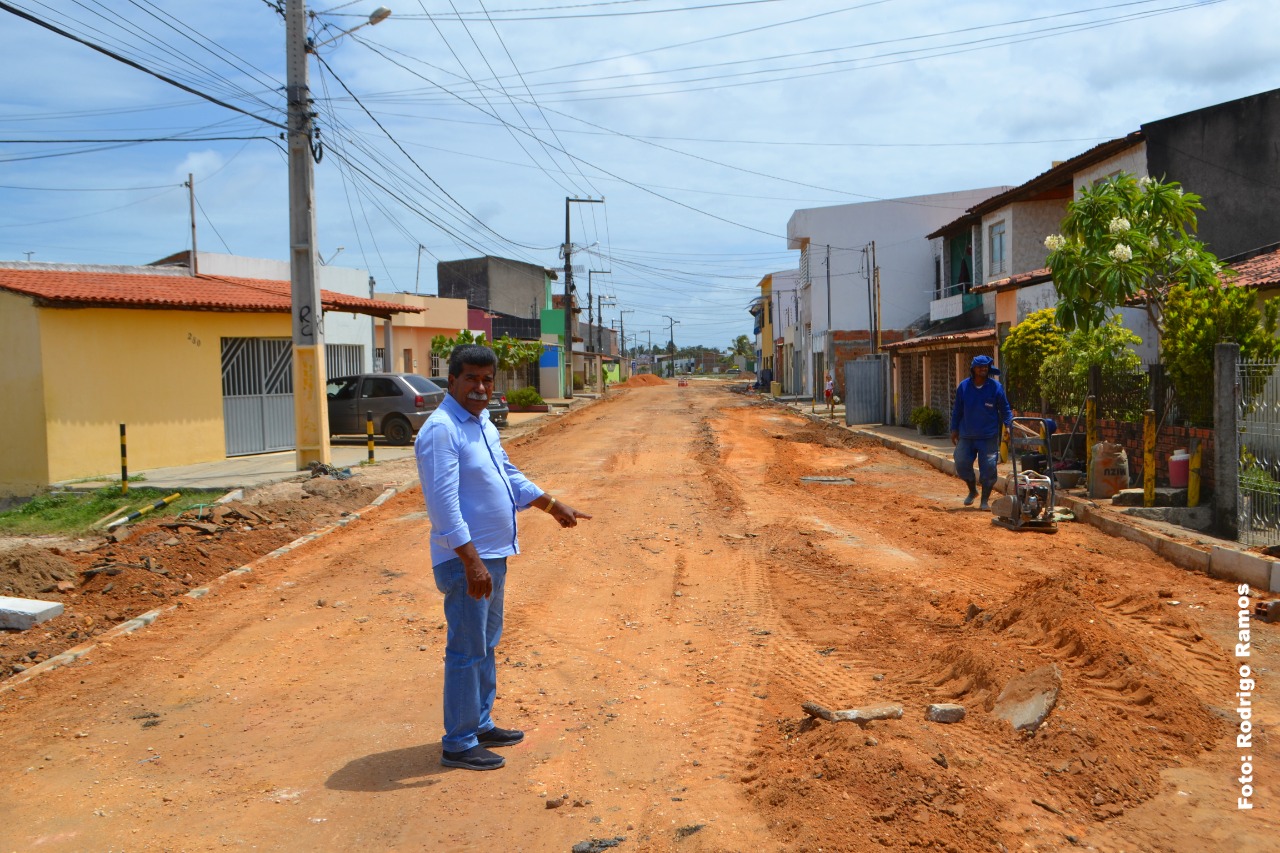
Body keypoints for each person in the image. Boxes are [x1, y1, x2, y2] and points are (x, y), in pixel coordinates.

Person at [416, 344, 591, 772]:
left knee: (486, 645)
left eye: (487, 379)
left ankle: (478, 722)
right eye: (471, 378)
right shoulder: (442, 430)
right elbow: (442, 504)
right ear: (452, 380)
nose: (480, 387)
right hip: (467, 561)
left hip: (492, 556)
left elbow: (508, 474)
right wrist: (470, 560)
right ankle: (458, 743)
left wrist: (551, 505)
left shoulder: (481, 424)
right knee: (466, 649)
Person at [949, 354, 1012, 510]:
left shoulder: (996, 387)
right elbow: (957, 410)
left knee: (989, 468)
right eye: (980, 367)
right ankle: (972, 490)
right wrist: (954, 429)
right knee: (961, 463)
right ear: (973, 369)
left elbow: (1005, 409)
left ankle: (985, 501)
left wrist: (1008, 425)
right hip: (967, 434)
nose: (983, 369)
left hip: (988, 436)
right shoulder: (963, 387)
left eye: (986, 367)